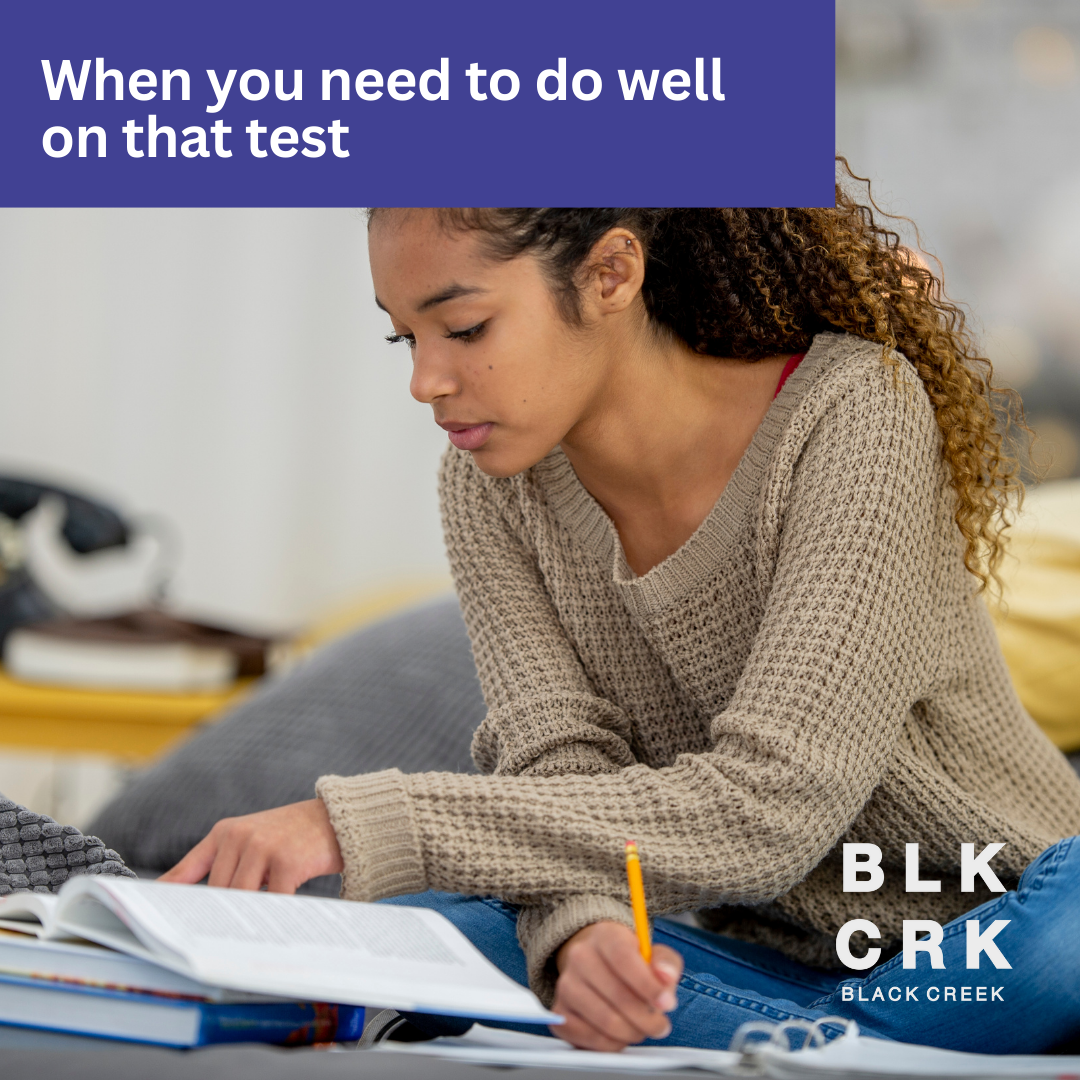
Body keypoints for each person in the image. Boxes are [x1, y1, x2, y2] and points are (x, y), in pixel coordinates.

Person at [162, 183, 1080, 1054]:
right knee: (428, 931)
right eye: (407, 339)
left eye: (466, 327)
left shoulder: (852, 409)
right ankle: (836, 1049)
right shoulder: (492, 488)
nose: (428, 382)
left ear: (611, 275)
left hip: (1010, 922)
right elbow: (557, 765)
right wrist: (582, 934)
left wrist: (354, 823)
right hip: (788, 964)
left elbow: (774, 805)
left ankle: (810, 1044)